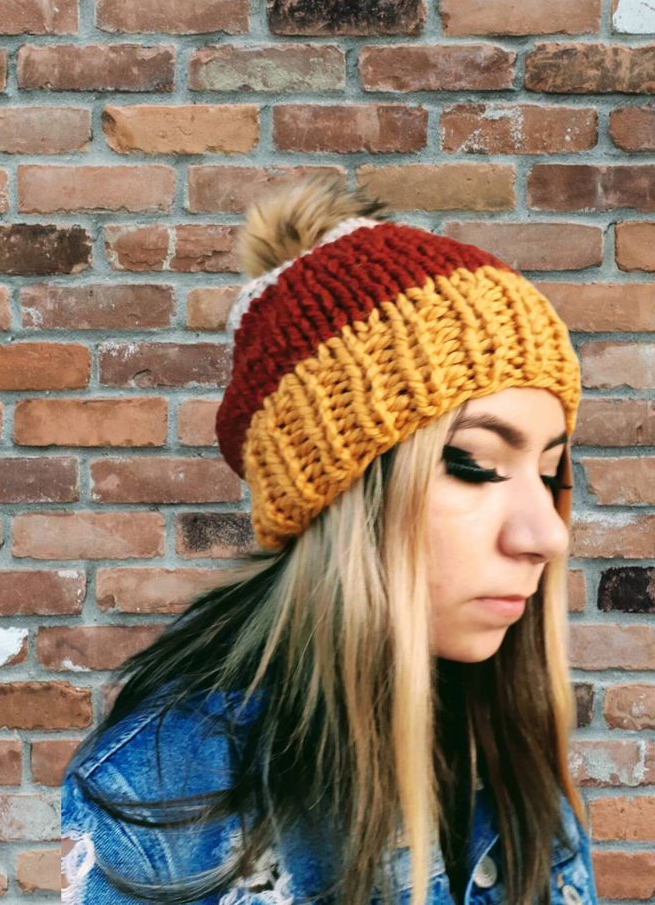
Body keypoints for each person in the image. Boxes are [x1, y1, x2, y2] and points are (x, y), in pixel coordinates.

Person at [60, 175, 598, 905]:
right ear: (339, 501)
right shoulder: (172, 791)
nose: (545, 536)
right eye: (473, 465)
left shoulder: (507, 745)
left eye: (548, 472)